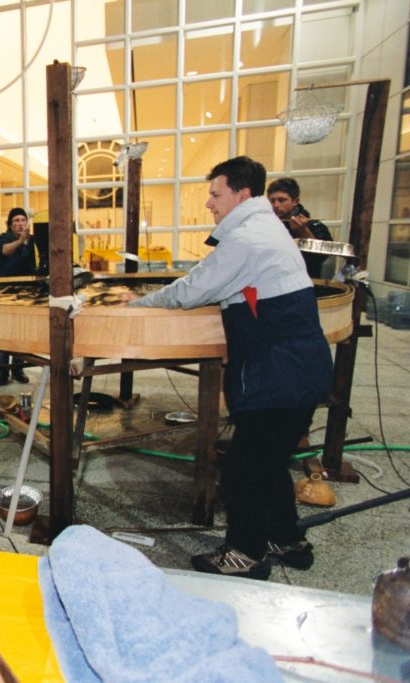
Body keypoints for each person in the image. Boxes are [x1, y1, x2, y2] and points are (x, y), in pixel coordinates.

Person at [130, 156, 333, 580]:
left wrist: (135, 305)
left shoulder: (248, 239)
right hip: (297, 370)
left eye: (215, 193)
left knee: (244, 467)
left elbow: (193, 288)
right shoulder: (264, 229)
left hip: (279, 375)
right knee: (271, 461)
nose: (209, 203)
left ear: (242, 195)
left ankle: (246, 553)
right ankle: (286, 539)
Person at [0, 207, 35, 385]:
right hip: (5, 294)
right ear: (9, 224)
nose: (20, 223)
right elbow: (4, 251)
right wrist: (20, 241)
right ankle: (3, 371)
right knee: (5, 333)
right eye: (16, 220)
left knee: (22, 333)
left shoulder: (31, 242)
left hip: (26, 295)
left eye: (23, 220)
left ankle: (17, 369)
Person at [267, 177, 333, 278]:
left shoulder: (314, 226)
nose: (276, 205)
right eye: (272, 201)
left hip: (307, 282)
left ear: (295, 201)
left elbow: (323, 257)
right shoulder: (267, 225)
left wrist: (304, 232)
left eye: (281, 200)